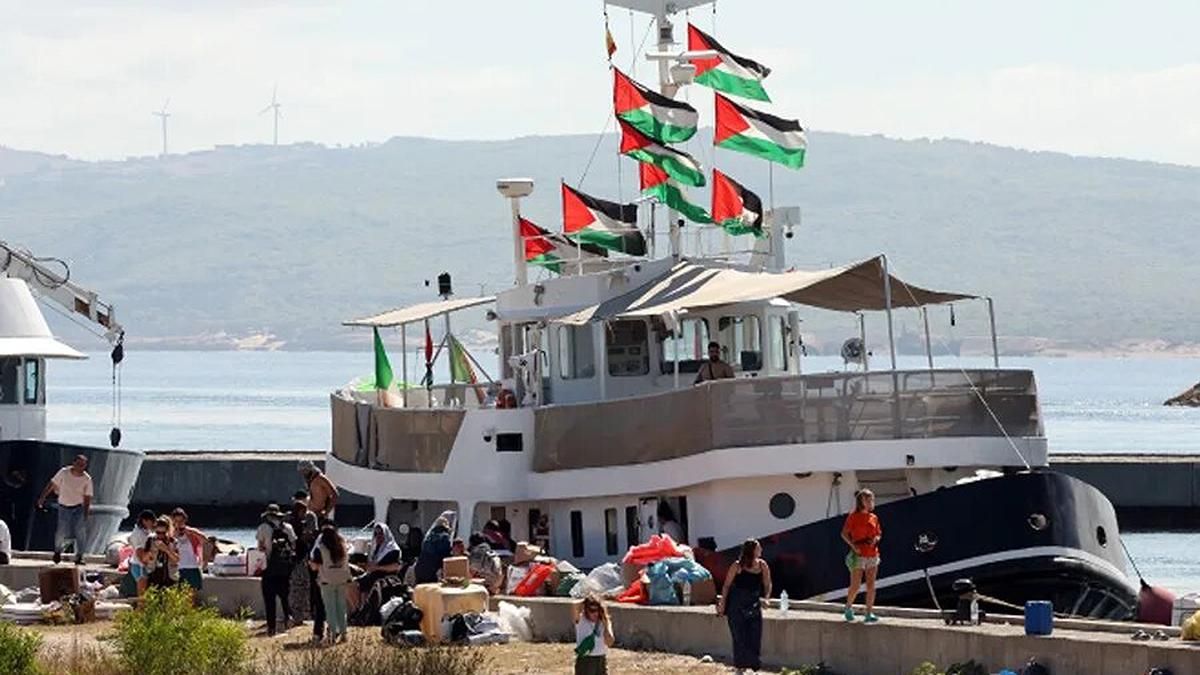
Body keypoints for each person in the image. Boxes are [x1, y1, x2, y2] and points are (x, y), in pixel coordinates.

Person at [717, 538, 772, 672]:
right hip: (736, 605)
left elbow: (767, 583)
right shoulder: (737, 566)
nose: (761, 550)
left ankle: (754, 666)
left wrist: (767, 598)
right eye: (758, 548)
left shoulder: (762, 565)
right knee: (739, 636)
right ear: (752, 550)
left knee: (754, 635)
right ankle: (740, 667)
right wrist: (722, 604)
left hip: (753, 603)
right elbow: (726, 586)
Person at [36, 454, 94, 565]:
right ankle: (57, 551)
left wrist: (86, 514)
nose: (80, 467)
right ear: (74, 463)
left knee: (80, 532)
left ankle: (80, 556)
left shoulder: (87, 479)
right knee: (61, 531)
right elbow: (52, 484)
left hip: (78, 507)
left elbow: (87, 497)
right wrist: (42, 497)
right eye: (78, 464)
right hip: (64, 506)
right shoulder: (64, 472)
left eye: (83, 465)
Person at [842, 488, 882, 624]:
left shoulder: (874, 517)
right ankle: (848, 608)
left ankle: (869, 613)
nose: (871, 502)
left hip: (872, 553)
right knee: (856, 585)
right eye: (869, 499)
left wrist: (876, 539)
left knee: (871, 585)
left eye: (872, 499)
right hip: (858, 554)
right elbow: (844, 534)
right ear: (862, 501)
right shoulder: (853, 517)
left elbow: (878, 533)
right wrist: (854, 547)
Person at [256, 503, 297, 636]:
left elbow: (260, 548)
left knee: (270, 599)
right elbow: (294, 545)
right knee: (285, 595)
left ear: (267, 515)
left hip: (269, 568)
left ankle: (271, 628)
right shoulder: (288, 527)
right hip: (285, 568)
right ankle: (288, 617)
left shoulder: (263, 528)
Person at [309, 524, 352, 645]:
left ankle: (332, 634)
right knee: (341, 608)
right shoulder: (342, 547)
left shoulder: (321, 549)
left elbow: (315, 566)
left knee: (330, 609)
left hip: (327, 581)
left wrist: (310, 563)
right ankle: (343, 634)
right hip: (342, 580)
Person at [287, 493, 321, 634]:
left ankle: (302, 615)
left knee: (304, 587)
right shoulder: (290, 522)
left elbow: (312, 535)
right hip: (297, 558)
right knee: (298, 588)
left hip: (305, 557)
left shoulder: (309, 518)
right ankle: (297, 616)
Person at [349, 522, 402, 612]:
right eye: (376, 534)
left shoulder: (393, 550)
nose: (378, 536)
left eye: (381, 533)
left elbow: (396, 567)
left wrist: (377, 568)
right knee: (351, 584)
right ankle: (358, 610)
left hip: (385, 577)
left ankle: (364, 611)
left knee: (363, 584)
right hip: (372, 575)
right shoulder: (376, 548)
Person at [573, 594, 615, 675]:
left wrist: (606, 625)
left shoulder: (604, 622)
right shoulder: (581, 620)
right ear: (586, 609)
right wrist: (585, 600)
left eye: (597, 610)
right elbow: (574, 605)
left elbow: (610, 642)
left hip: (601, 659)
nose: (595, 613)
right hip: (585, 660)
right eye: (591, 610)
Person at [169, 508, 207, 593]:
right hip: (178, 568)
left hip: (192, 567)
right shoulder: (171, 534)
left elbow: (205, 540)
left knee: (191, 596)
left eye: (181, 521)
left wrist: (191, 532)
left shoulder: (190, 532)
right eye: (176, 521)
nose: (179, 524)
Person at [413, 513, 454, 584]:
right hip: (431, 571)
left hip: (419, 569)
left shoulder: (428, 538)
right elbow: (445, 557)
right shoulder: (444, 537)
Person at [141, 516, 180, 590]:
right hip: (153, 576)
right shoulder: (150, 540)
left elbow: (177, 559)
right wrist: (152, 551)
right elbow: (144, 559)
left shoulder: (173, 541)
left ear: (167, 531)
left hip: (169, 577)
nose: (161, 536)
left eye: (163, 533)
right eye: (158, 533)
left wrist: (166, 549)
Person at [127, 510, 155, 595]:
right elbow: (139, 552)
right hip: (140, 566)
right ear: (144, 521)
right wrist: (148, 564)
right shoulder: (140, 534)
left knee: (143, 594)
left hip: (137, 564)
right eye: (151, 521)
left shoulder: (141, 531)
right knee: (142, 595)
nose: (153, 524)